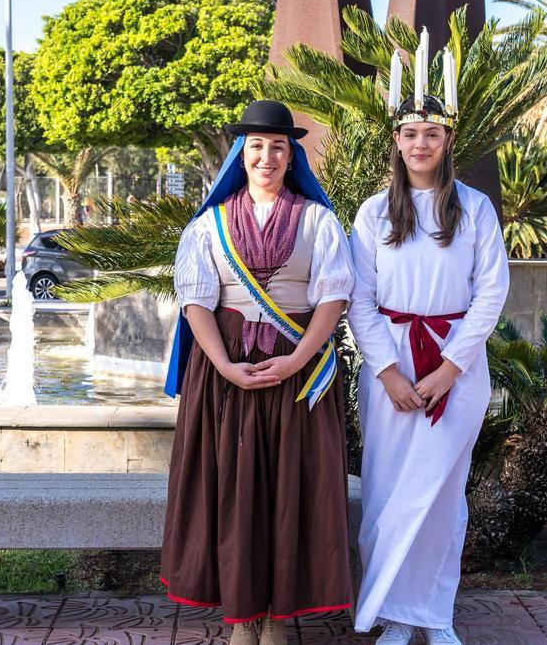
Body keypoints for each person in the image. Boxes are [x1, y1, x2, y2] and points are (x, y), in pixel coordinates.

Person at [161, 100, 355, 645]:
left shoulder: (319, 221)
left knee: (292, 489)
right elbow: (196, 302)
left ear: (291, 156)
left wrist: (297, 359)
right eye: (255, 147)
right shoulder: (209, 225)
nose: (266, 156)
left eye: (277, 147)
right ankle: (243, 617)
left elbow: (333, 298)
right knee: (233, 491)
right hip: (225, 376)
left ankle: (278, 617)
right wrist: (222, 364)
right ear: (240, 157)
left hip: (298, 374)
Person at [347, 81, 509, 643]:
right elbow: (358, 298)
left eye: (431, 134)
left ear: (447, 140)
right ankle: (392, 613)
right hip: (389, 367)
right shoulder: (373, 213)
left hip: (456, 370)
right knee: (388, 489)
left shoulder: (475, 208)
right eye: (411, 134)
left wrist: (450, 368)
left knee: (442, 493)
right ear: (396, 141)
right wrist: (389, 372)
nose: (421, 144)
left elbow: (491, 292)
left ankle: (434, 616)